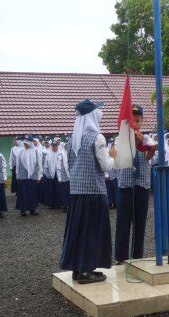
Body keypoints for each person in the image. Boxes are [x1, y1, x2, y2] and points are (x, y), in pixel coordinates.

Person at [60, 99, 116, 284]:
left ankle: (79, 269)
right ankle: (86, 270)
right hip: (94, 192)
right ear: (92, 115)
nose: (102, 112)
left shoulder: (72, 139)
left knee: (79, 232)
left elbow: (69, 167)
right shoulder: (97, 137)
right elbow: (106, 166)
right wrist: (116, 158)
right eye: (99, 110)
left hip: (77, 194)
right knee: (92, 232)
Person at [115, 105, 156, 265]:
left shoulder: (147, 139)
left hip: (141, 186)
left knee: (140, 223)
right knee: (123, 222)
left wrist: (150, 149)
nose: (135, 124)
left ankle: (137, 256)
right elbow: (119, 158)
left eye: (138, 121)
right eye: (132, 121)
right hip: (125, 185)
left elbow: (148, 157)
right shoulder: (120, 139)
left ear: (142, 121)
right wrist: (133, 143)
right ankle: (121, 257)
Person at [15, 135, 42, 216]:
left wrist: (39, 176)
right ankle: (22, 210)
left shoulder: (35, 152)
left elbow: (39, 165)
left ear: (30, 143)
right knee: (23, 193)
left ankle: (32, 209)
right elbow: (18, 165)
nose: (25, 144)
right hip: (22, 176)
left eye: (27, 143)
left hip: (33, 176)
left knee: (32, 193)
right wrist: (17, 176)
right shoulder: (20, 152)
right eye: (24, 143)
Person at [43, 142, 60, 209]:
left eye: (55, 146)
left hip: (58, 175)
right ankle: (51, 204)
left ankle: (58, 203)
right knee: (51, 190)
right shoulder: (48, 155)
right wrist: (47, 174)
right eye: (53, 146)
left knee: (58, 190)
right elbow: (46, 166)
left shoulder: (60, 154)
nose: (54, 148)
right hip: (50, 175)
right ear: (51, 147)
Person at [105, 138, 119, 209]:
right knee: (109, 190)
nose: (111, 144)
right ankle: (110, 203)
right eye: (109, 142)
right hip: (108, 173)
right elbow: (105, 163)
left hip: (116, 174)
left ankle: (116, 203)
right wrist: (106, 174)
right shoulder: (106, 151)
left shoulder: (116, 150)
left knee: (116, 189)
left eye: (111, 142)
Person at [57, 138, 70, 211]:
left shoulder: (72, 152)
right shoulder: (61, 153)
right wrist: (59, 177)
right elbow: (58, 166)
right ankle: (65, 205)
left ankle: (70, 205)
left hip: (71, 175)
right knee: (65, 191)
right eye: (66, 145)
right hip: (64, 176)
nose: (67, 146)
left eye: (68, 144)